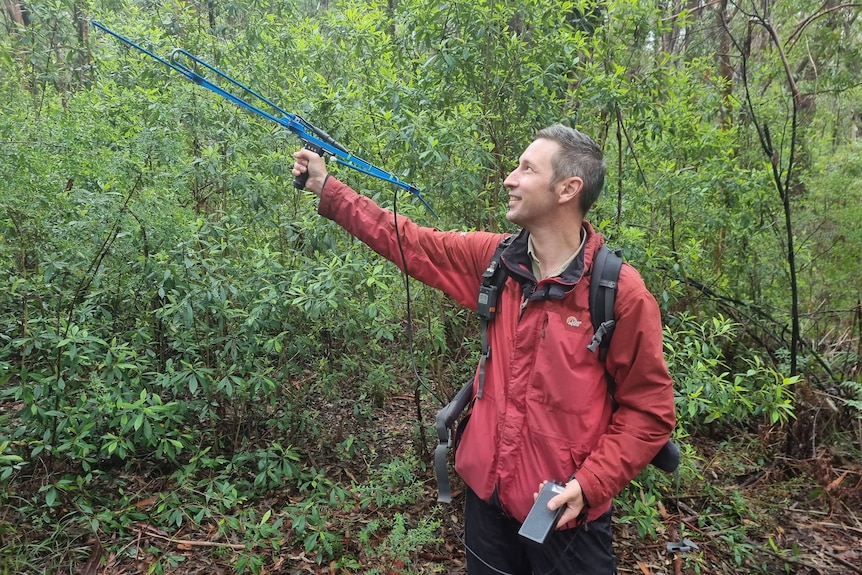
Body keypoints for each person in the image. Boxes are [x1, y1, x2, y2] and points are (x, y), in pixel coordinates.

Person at [292, 124, 676, 575]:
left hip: (567, 518)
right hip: (487, 504)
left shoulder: (618, 293)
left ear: (568, 189)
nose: (510, 179)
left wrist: (590, 485)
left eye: (526, 169)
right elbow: (410, 241)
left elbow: (649, 412)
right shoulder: (496, 261)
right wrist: (327, 188)